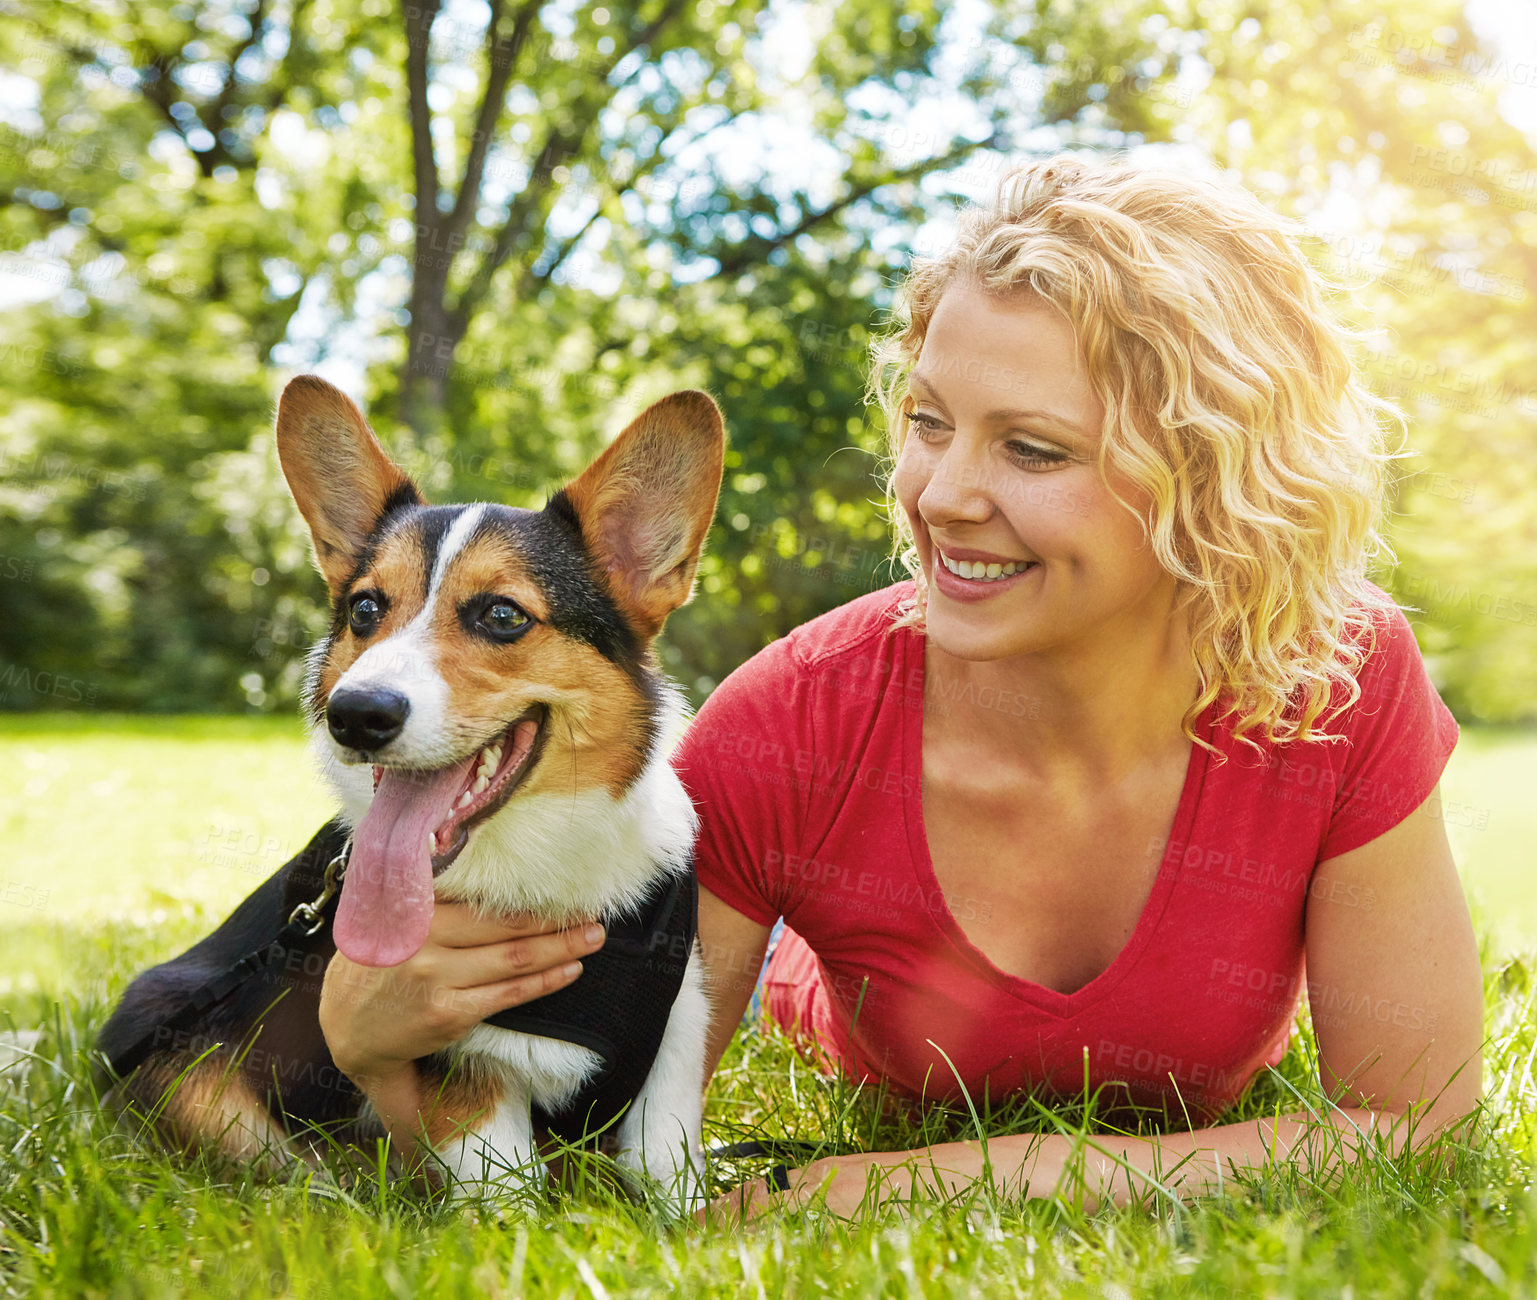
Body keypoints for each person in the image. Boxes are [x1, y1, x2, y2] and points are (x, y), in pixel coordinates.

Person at [319, 155, 1484, 1220]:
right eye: (928, 422)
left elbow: (1415, 1125)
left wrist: (942, 1176)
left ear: (1215, 479)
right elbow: (579, 1152)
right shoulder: (790, 724)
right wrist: (373, 1052)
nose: (940, 495)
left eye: (1031, 449)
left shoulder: (1336, 680)